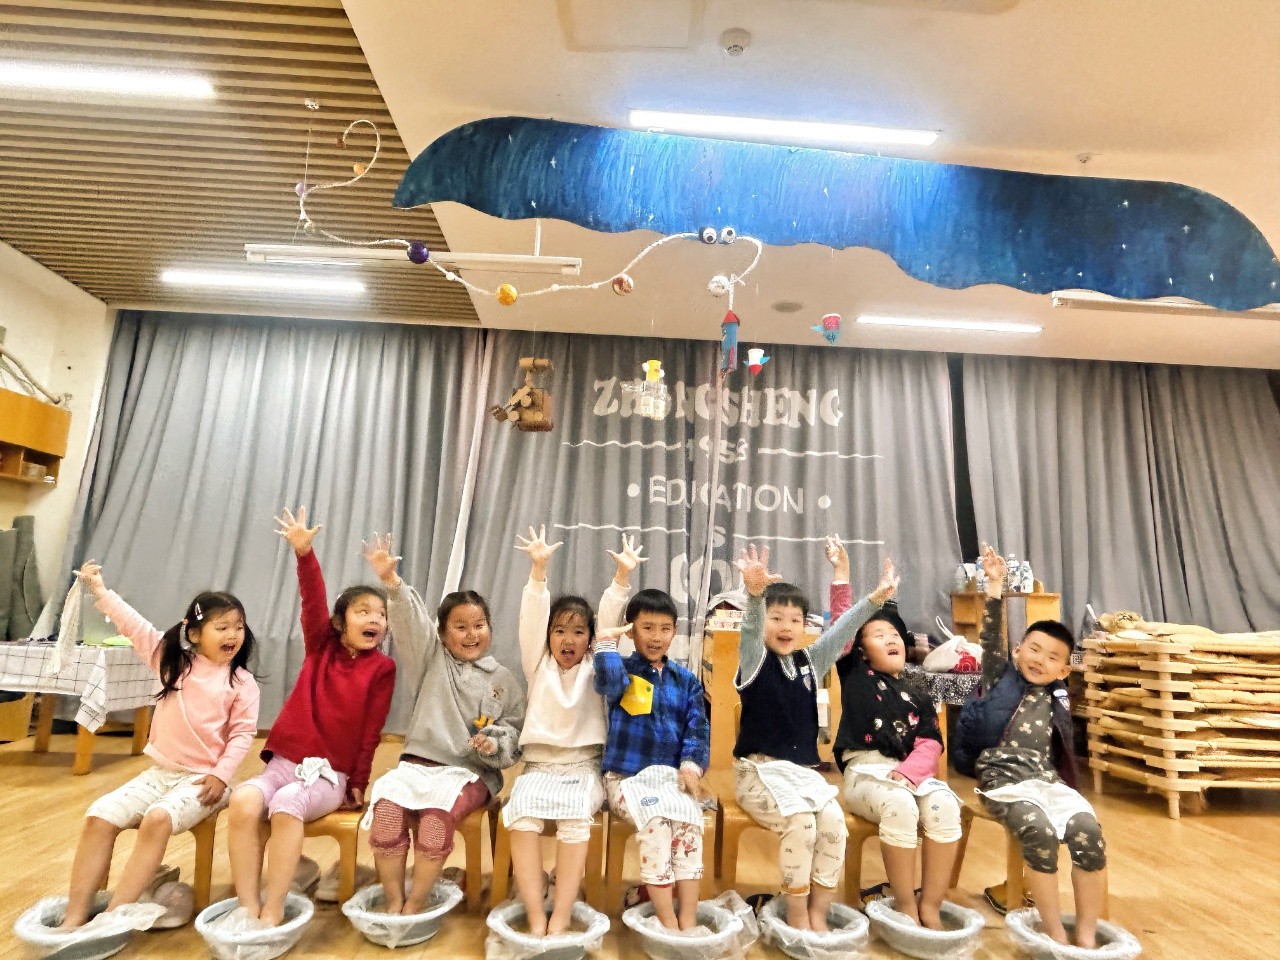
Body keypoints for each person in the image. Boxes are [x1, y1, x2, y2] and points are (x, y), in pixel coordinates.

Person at [59, 561, 259, 929]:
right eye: (222, 627)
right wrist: (100, 590)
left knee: (158, 818)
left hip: (205, 781)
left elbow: (242, 734)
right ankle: (74, 916)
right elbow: (134, 625)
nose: (233, 634)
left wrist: (220, 775)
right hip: (159, 775)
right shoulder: (171, 662)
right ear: (194, 633)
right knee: (98, 816)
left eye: (239, 627)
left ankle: (113, 915)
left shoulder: (242, 682)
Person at [226, 508, 396, 926]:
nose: (374, 619)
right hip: (284, 765)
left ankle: (274, 909)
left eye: (380, 614)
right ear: (340, 622)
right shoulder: (321, 647)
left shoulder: (382, 669)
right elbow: (312, 600)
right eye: (363, 611)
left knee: (287, 803)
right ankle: (248, 907)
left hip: (329, 776)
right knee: (244, 800)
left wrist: (358, 782)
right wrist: (304, 554)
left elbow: (371, 733)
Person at [732, 543, 898, 931]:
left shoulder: (810, 660)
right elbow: (751, 632)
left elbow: (842, 630)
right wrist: (754, 597)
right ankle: (795, 912)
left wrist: (875, 600)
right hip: (757, 773)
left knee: (834, 822)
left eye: (795, 619)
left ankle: (819, 911)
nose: (786, 626)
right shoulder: (755, 660)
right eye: (776, 618)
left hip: (800, 775)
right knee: (802, 823)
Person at [952, 544, 1107, 949]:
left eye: (1052, 657)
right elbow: (990, 637)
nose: (1040, 660)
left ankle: (1087, 934)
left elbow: (1065, 754)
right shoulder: (1000, 677)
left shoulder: (1059, 698)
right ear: (1018, 650)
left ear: (1065, 668)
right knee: (1037, 830)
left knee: (1088, 830)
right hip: (1003, 781)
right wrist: (994, 587)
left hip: (1046, 782)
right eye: (1033, 649)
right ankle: (1053, 930)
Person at [363, 535, 525, 915]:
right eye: (460, 627)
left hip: (470, 774)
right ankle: (393, 903)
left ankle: (416, 905)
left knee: (435, 823)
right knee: (386, 816)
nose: (471, 634)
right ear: (441, 632)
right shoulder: (431, 660)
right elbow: (410, 623)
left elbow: (514, 732)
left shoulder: (502, 678)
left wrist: (495, 742)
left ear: (490, 628)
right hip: (415, 767)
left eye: (479, 625)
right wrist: (392, 583)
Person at [505, 528, 641, 935]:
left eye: (579, 631)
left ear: (589, 638)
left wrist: (621, 579)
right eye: (560, 630)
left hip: (584, 768)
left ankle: (562, 914)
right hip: (538, 767)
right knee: (522, 818)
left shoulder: (598, 665)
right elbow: (532, 617)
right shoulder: (537, 664)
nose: (568, 639)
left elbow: (609, 625)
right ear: (548, 636)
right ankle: (535, 914)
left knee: (575, 822)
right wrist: (538, 571)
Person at [828, 539, 963, 930]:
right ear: (861, 650)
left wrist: (909, 773)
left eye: (894, 634)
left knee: (945, 805)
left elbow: (931, 742)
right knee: (900, 806)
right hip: (865, 773)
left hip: (910, 775)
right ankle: (905, 905)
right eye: (877, 634)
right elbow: (842, 627)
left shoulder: (919, 689)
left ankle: (930, 904)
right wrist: (842, 574)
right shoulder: (854, 671)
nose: (890, 639)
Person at [594, 582, 710, 931]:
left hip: (671, 779)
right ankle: (667, 921)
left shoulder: (687, 680)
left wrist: (690, 768)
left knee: (690, 823)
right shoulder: (622, 672)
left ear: (675, 632)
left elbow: (697, 729)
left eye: (665, 628)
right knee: (657, 823)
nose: (656, 637)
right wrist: (606, 644)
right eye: (647, 627)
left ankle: (688, 919)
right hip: (625, 778)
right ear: (631, 631)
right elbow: (606, 683)